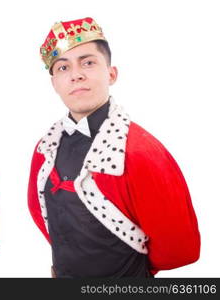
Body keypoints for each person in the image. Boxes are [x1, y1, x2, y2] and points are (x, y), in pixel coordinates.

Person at [27, 17, 200, 278]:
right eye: (63, 68)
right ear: (54, 83)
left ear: (111, 74)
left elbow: (180, 249)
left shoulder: (142, 152)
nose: (76, 75)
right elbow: (43, 217)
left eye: (88, 62)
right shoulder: (45, 149)